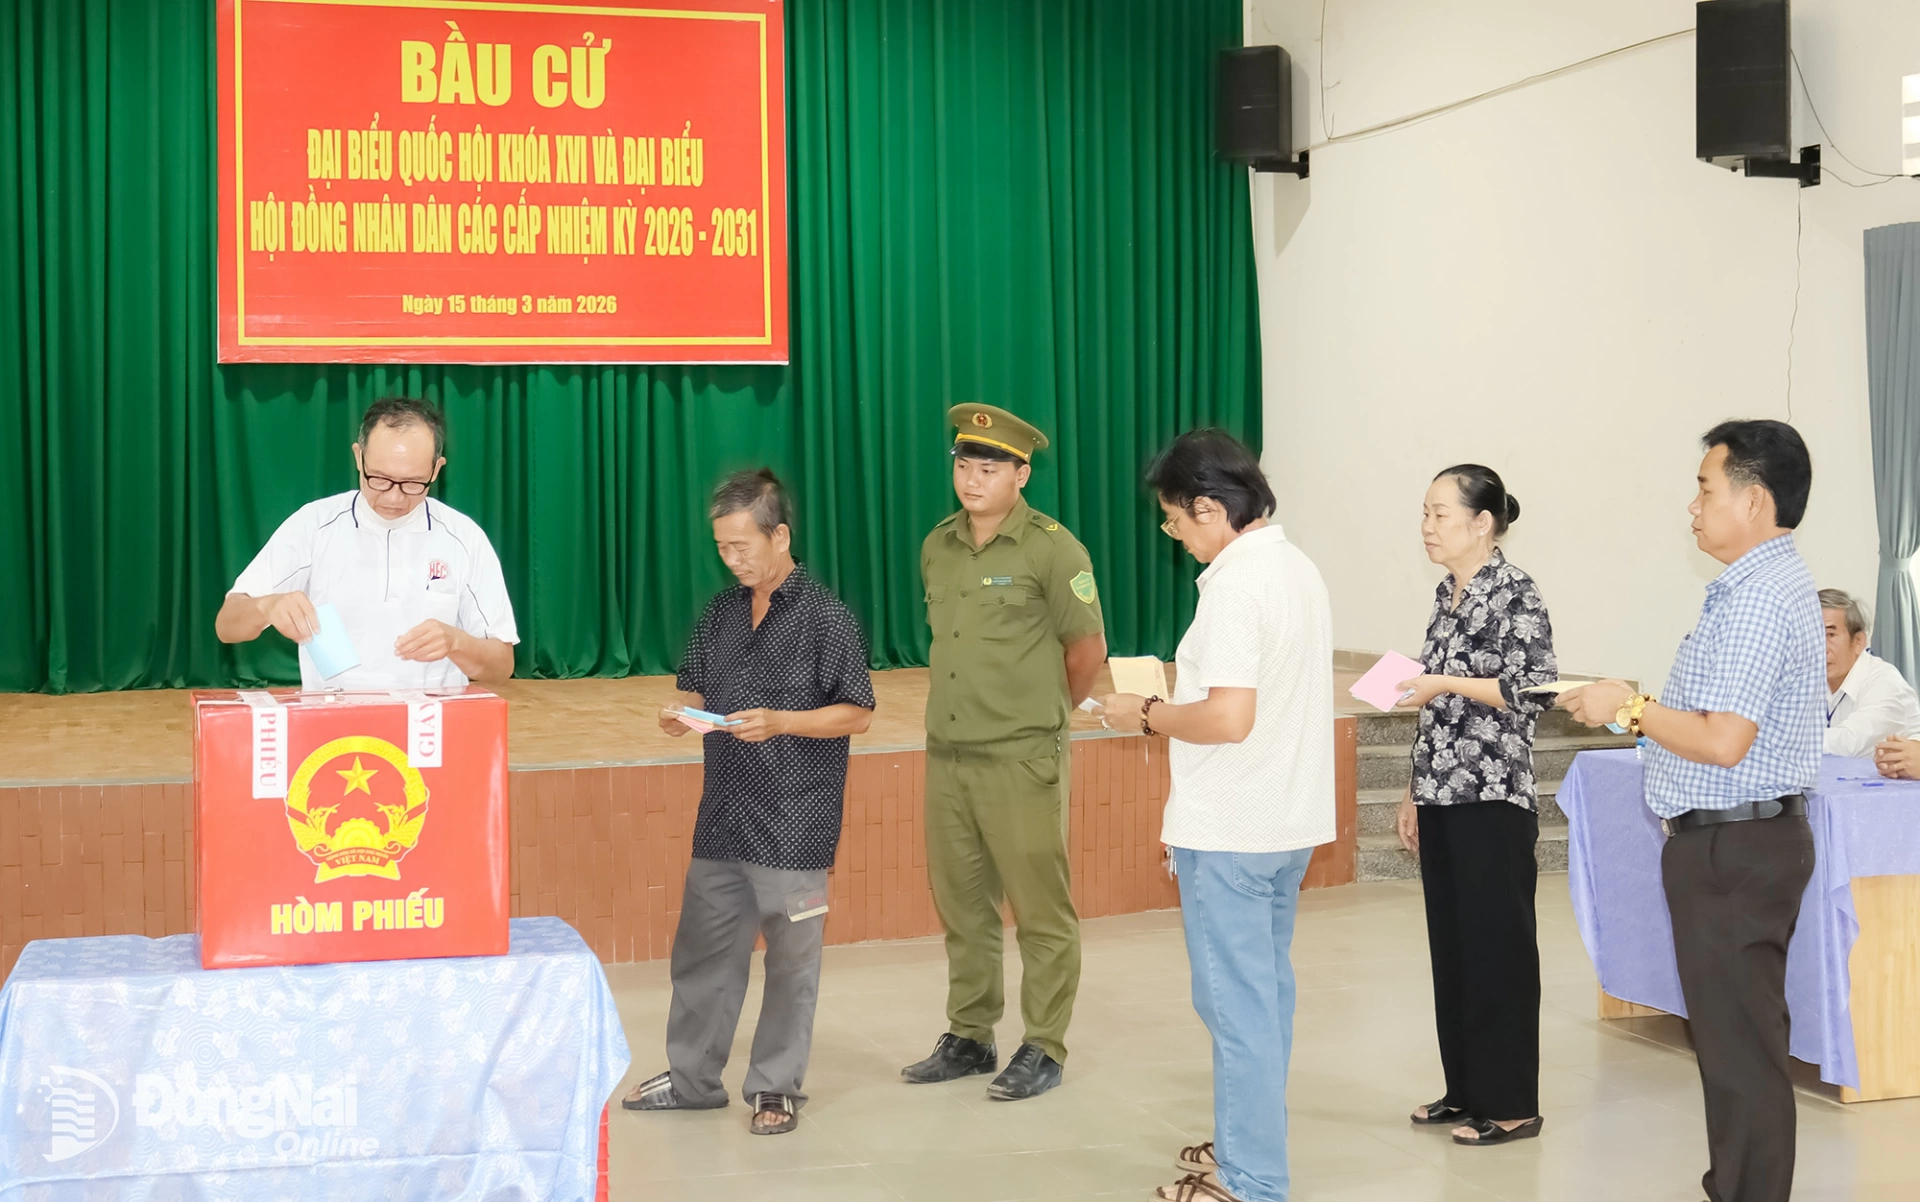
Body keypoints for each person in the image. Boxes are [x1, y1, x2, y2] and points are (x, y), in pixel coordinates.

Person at [1561, 419, 1821, 1202]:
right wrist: (1628, 708)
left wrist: (1629, 707)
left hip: (1735, 848)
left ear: (1754, 500)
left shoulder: (1758, 599)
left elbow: (1722, 740)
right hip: (1735, 843)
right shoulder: (1755, 588)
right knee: (1736, 1047)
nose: (1693, 506)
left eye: (1705, 489)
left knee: (1742, 1056)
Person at [1100, 429, 1333, 1202]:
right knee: (1264, 995)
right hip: (1285, 819)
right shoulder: (1296, 567)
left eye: (1175, 520)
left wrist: (1145, 712)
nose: (1175, 536)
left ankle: (1253, 1180)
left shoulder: (1236, 586)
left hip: (1234, 826)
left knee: (1236, 1005)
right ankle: (1247, 1142)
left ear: (1208, 507)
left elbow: (1229, 718)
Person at [622, 469, 876, 1135]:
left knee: (792, 963)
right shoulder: (721, 613)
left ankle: (774, 1087)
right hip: (723, 816)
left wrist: (783, 720)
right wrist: (681, 713)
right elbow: (697, 687)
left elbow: (857, 713)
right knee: (703, 955)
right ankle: (691, 1079)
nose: (731, 559)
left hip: (795, 820)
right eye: (722, 548)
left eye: (741, 546)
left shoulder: (827, 618)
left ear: (780, 536)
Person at [900, 404, 1108, 1102]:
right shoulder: (938, 545)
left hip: (1020, 758)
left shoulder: (1054, 550)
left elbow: (1087, 650)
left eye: (989, 468)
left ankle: (1044, 1044)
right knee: (963, 908)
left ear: (1021, 474)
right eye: (964, 464)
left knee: (1041, 912)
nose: (972, 478)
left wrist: (1044, 715)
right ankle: (970, 1034)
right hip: (949, 755)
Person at [1393, 465, 1555, 1147]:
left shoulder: (1515, 590)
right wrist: (1412, 788)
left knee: (1499, 952)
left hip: (1493, 795)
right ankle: (1465, 1089)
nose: (1427, 527)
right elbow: (1432, 705)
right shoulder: (1446, 593)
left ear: (1482, 523)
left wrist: (1441, 682)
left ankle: (1512, 1104)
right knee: (1454, 948)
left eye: (1440, 514)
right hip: (1441, 789)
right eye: (1425, 514)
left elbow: (1532, 689)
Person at [215, 397, 517, 688]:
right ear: (359, 457)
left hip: (431, 718)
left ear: (436, 469)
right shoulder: (315, 525)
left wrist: (456, 642)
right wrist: (267, 606)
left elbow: (502, 665)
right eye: (380, 479)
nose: (394, 498)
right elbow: (227, 625)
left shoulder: (463, 538)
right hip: (334, 717)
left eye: (413, 483)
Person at [1817, 588, 1920, 757]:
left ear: (1858, 641)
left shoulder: (1885, 682)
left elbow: (1850, 743)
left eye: (1830, 635)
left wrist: (1784, 741)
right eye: (1812, 636)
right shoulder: (1809, 681)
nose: (1820, 647)